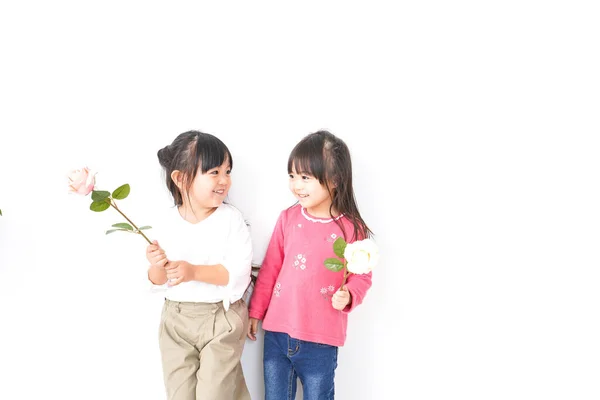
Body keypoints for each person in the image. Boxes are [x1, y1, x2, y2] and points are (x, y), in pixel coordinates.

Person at [248, 130, 374, 399]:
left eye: (305, 177)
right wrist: (256, 311)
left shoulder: (352, 229)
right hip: (278, 335)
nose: (296, 185)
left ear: (334, 179)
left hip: (321, 340)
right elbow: (271, 268)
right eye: (292, 176)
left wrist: (350, 294)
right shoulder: (288, 218)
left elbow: (362, 275)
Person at [146, 130, 253, 400]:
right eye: (214, 172)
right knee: (180, 394)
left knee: (214, 393)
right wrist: (156, 265)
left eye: (227, 171)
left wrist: (193, 271)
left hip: (221, 318)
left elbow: (236, 273)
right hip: (176, 321)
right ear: (180, 179)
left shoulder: (231, 219)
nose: (224, 180)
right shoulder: (166, 222)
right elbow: (158, 281)